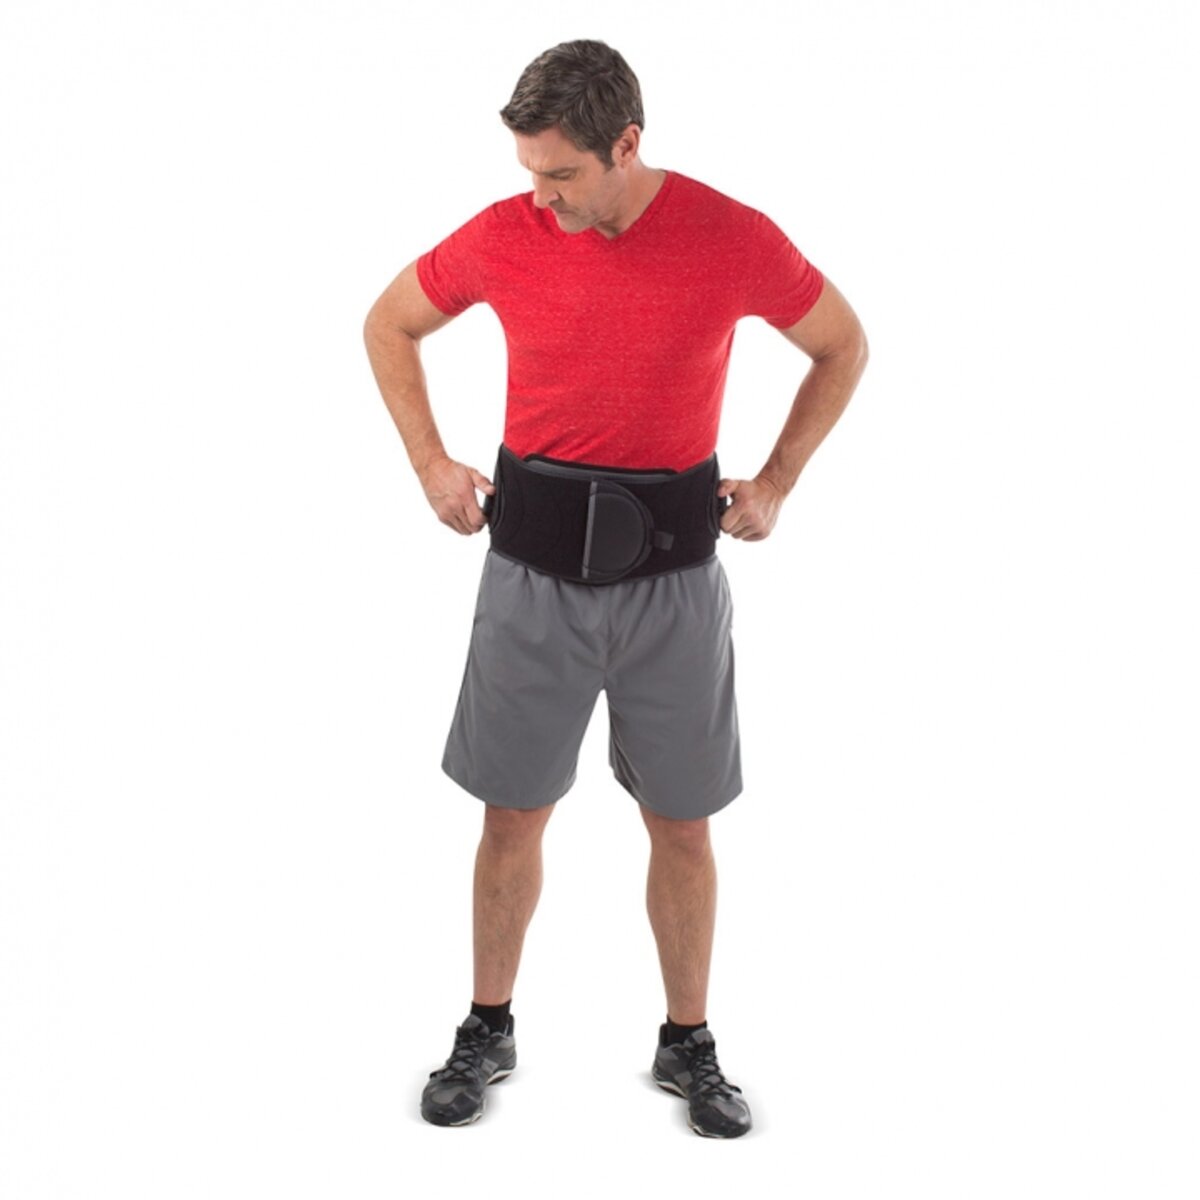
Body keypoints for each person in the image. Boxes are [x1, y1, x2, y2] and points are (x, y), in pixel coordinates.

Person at [363, 39, 868, 1138]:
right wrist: (430, 463)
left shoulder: (731, 236)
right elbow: (388, 321)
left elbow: (841, 344)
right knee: (511, 815)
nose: (540, 197)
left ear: (626, 144)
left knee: (682, 825)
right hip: (530, 580)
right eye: (528, 172)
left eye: (561, 174)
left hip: (673, 589)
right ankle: (487, 1027)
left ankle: (688, 1041)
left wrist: (777, 480)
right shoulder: (505, 233)